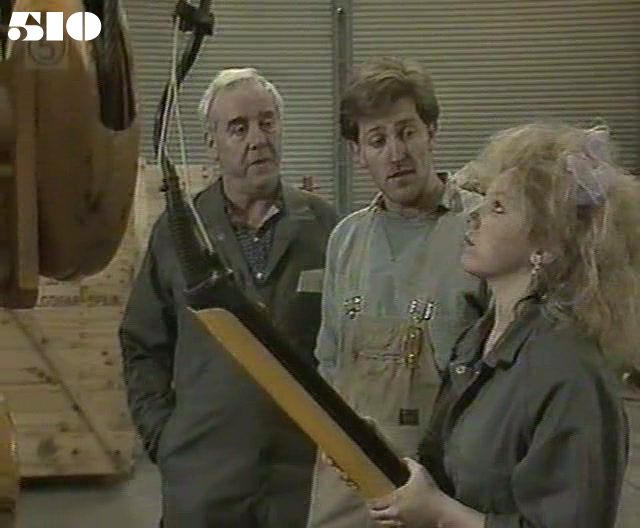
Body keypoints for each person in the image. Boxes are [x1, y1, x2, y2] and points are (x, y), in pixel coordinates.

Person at [367, 122, 635, 527]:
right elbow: (446, 472)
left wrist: (440, 513)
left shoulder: (569, 372)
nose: (474, 216)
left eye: (498, 208)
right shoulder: (479, 340)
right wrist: (377, 456)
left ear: (545, 245)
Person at [119, 68, 337, 528]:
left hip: (299, 481)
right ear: (211, 144)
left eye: (267, 122)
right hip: (203, 482)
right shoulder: (179, 231)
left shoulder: (324, 226)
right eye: (239, 128)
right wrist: (164, 437)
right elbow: (142, 342)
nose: (257, 139)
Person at [307, 57, 487, 528]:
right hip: (349, 480)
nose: (396, 153)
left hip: (443, 484)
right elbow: (328, 361)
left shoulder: (482, 228)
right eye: (377, 140)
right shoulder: (346, 239)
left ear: (432, 131)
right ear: (357, 153)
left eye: (407, 132)